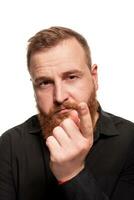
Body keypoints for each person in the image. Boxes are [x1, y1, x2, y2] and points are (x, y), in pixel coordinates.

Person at [0, 26, 134, 200]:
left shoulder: (130, 141)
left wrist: (73, 174)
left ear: (94, 78)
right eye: (45, 83)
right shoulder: (11, 145)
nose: (59, 96)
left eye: (71, 77)